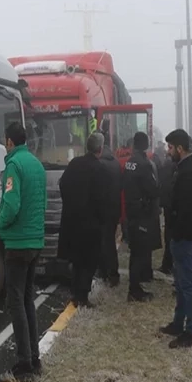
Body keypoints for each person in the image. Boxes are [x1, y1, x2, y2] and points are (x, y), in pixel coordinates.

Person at [0, 122, 47, 382]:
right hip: (35, 240)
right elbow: (43, 201)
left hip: (17, 242)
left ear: (9, 142)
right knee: (27, 299)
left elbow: (11, 203)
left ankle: (24, 364)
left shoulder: (13, 166)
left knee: (15, 300)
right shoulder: (37, 165)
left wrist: (0, 223)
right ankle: (35, 358)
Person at [161, 129, 192, 348]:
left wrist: (175, 233)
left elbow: (185, 209)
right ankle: (179, 323)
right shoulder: (186, 167)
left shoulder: (189, 172)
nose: (168, 152)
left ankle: (191, 330)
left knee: (188, 285)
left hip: (185, 236)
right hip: (183, 234)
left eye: (170, 148)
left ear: (179, 148)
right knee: (181, 283)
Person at [57, 132, 107, 308]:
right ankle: (82, 296)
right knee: (89, 261)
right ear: (100, 149)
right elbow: (102, 198)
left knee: (76, 260)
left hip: (72, 220)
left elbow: (62, 184)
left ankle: (75, 293)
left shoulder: (74, 164)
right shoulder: (100, 169)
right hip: (91, 224)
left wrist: (70, 204)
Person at [122, 131, 161, 302]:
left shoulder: (130, 162)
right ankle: (135, 289)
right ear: (145, 145)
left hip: (132, 210)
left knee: (135, 250)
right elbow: (153, 189)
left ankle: (135, 285)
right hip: (143, 213)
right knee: (140, 252)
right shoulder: (144, 164)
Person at [97, 141, 122, 287]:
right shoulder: (115, 163)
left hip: (104, 209)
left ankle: (107, 273)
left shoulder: (101, 165)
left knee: (104, 243)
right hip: (114, 208)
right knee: (110, 241)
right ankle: (112, 273)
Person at [157, 150, 176, 276]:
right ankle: (168, 265)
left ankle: (167, 265)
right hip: (171, 206)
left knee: (170, 236)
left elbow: (163, 184)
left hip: (171, 206)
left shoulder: (170, 165)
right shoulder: (176, 165)